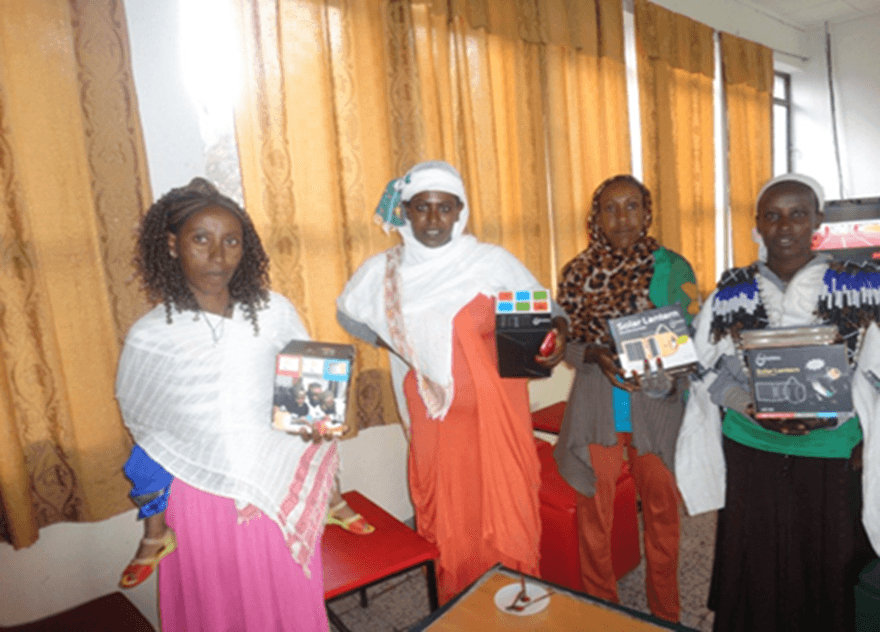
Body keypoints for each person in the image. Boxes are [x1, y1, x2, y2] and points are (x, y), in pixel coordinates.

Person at [336, 160, 568, 603]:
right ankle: (462, 605)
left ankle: (517, 600)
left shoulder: (489, 261)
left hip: (500, 416)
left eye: (445, 208)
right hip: (434, 419)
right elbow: (350, 312)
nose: (433, 220)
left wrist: (558, 337)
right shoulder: (384, 271)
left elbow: (550, 313)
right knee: (451, 515)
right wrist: (400, 344)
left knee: (509, 507)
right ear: (405, 211)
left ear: (460, 212)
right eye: (422, 207)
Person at [115, 177, 337, 631]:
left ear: (245, 248)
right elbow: (145, 421)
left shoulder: (275, 311)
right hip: (202, 495)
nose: (218, 256)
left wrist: (318, 421)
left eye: (231, 241)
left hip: (275, 482)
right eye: (201, 239)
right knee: (221, 608)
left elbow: (308, 391)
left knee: (286, 599)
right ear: (173, 246)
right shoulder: (151, 335)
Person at [676, 173, 879, 631]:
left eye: (797, 214)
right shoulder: (733, 290)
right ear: (758, 226)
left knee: (824, 559)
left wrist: (866, 439)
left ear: (818, 221)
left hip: (829, 449)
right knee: (756, 554)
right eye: (772, 216)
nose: (784, 227)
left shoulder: (863, 286)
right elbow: (704, 368)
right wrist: (749, 406)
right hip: (751, 444)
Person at [553, 174, 699, 623]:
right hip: (599, 404)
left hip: (654, 407)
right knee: (594, 513)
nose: (622, 218)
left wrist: (663, 365)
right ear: (595, 217)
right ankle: (604, 611)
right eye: (610, 208)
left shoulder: (674, 267)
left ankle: (665, 613)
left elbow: (691, 339)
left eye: (632, 206)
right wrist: (593, 352)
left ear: (647, 212)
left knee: (661, 513)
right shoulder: (577, 272)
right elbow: (565, 345)